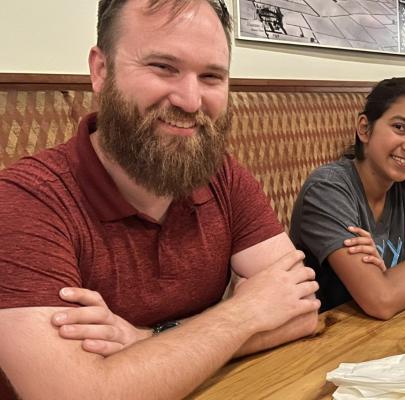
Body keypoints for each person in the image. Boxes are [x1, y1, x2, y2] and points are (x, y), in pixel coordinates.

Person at [0, 1, 320, 399]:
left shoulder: (222, 174)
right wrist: (245, 312)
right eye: (163, 67)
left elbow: (302, 311)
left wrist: (146, 339)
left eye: (211, 76)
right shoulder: (27, 201)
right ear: (101, 70)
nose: (190, 100)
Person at [289, 77, 405, 320]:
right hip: (324, 338)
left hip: (382, 329)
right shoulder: (327, 189)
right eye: (400, 128)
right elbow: (381, 301)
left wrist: (401, 282)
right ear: (364, 128)